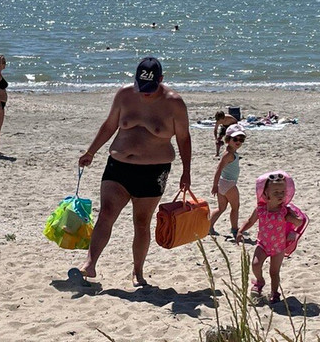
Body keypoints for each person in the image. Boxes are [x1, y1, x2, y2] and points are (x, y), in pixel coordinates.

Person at [77, 57, 192, 287]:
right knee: (107, 212)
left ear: (161, 80)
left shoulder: (174, 104)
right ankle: (90, 263)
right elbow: (110, 125)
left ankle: (137, 271)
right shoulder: (125, 95)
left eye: (150, 88)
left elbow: (184, 138)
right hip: (118, 166)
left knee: (141, 222)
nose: (145, 93)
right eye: (141, 87)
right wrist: (91, 151)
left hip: (154, 171)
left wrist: (186, 172)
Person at [236, 171, 304, 304]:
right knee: (255, 264)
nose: (280, 195)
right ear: (266, 195)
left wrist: (291, 219)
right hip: (263, 244)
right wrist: (240, 231)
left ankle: (274, 292)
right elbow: (250, 221)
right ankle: (259, 281)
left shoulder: (285, 211)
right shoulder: (260, 210)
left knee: (274, 272)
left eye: (282, 192)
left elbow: (299, 222)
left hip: (279, 247)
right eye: (276, 192)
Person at [209, 123, 246, 238]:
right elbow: (218, 169)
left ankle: (209, 226)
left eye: (241, 139)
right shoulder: (228, 155)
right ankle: (234, 229)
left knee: (221, 208)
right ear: (228, 139)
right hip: (228, 184)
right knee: (235, 207)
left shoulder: (231, 153)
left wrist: (217, 185)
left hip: (223, 183)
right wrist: (214, 185)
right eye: (235, 139)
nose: (238, 142)